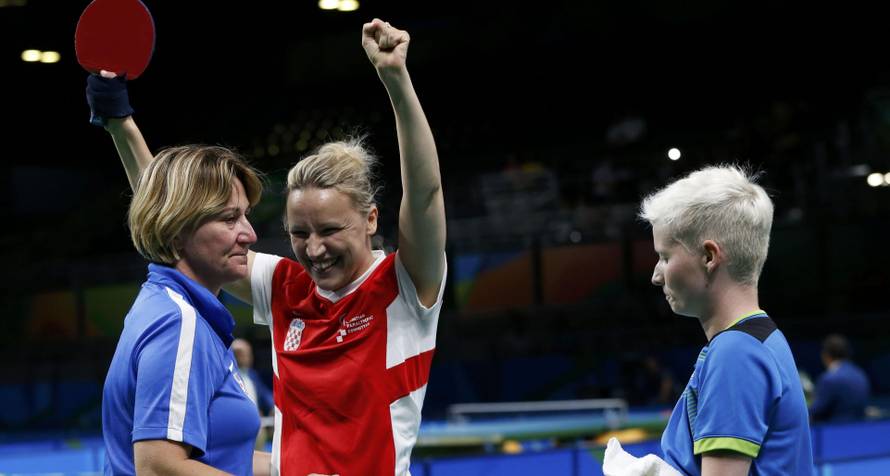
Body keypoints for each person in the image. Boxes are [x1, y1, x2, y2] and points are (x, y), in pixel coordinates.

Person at [94, 19, 446, 476]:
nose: (314, 250)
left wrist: (396, 80)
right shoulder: (285, 287)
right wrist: (121, 124)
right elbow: (179, 217)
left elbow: (426, 194)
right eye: (299, 233)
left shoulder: (404, 286)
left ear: (371, 220)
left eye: (329, 230)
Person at [96, 144, 272, 475]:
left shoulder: (174, 307)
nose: (250, 234)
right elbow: (158, 468)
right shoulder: (178, 323)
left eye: (245, 215)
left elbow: (224, 460)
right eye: (230, 218)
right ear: (176, 233)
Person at [640, 166, 814, 475]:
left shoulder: (735, 354)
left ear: (709, 257)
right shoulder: (762, 340)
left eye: (665, 257)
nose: (656, 276)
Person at [809, 334, 870, 422]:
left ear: (825, 355)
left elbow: (815, 411)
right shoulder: (860, 374)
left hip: (833, 428)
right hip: (860, 427)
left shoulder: (829, 379)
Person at [232, 338, 275, 448]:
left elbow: (266, 395)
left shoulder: (253, 375)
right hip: (235, 424)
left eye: (248, 354)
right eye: (242, 354)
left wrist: (273, 407)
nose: (247, 357)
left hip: (257, 426)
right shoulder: (227, 376)